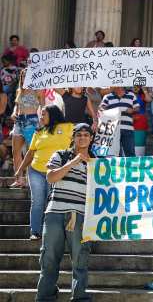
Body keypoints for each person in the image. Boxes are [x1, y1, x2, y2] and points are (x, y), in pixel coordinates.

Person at [35, 123, 94, 302]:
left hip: (80, 216)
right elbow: (51, 177)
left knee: (80, 260)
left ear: (91, 138)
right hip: (54, 213)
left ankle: (79, 297)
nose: (82, 137)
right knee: (49, 259)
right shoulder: (61, 155)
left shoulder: (96, 162)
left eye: (86, 134)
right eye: (79, 134)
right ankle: (45, 297)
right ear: (73, 137)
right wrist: (73, 162)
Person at [14, 105, 73, 240]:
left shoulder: (68, 127)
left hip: (56, 172)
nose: (40, 117)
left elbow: (82, 137)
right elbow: (30, 152)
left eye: (43, 114)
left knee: (51, 202)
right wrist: (20, 169)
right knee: (37, 202)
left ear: (52, 114)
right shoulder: (39, 131)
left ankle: (50, 232)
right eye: (41, 114)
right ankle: (35, 232)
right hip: (35, 171)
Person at [10, 73, 44, 188]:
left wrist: (42, 122)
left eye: (27, 75)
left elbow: (43, 106)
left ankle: (32, 181)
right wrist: (14, 112)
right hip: (19, 121)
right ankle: (19, 180)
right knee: (16, 152)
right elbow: (17, 106)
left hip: (32, 121)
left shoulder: (38, 89)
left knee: (31, 152)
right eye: (23, 76)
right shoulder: (20, 90)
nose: (25, 78)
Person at [99, 87, 140, 157]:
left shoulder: (131, 95)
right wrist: (108, 110)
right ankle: (117, 168)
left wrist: (132, 110)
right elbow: (101, 108)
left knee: (130, 152)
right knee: (116, 153)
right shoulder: (107, 96)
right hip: (113, 129)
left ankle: (131, 168)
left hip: (128, 128)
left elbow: (137, 108)